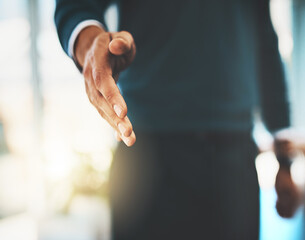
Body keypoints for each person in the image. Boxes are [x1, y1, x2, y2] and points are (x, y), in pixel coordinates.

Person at [55, 0, 290, 239]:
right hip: (145, 159)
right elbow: (76, 5)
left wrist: (285, 156)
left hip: (233, 160)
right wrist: (91, 44)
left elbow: (265, 41)